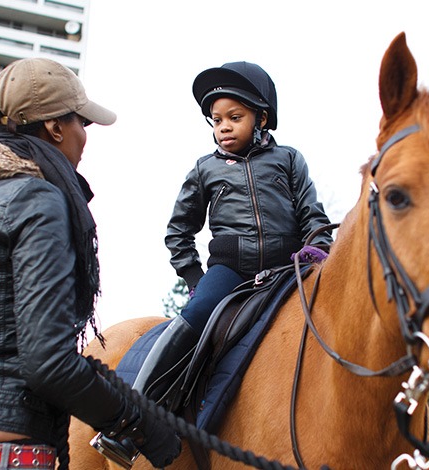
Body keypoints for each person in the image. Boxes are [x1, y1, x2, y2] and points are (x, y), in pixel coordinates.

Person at [0, 58, 180, 470]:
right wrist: (140, 423)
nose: (83, 136)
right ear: (55, 128)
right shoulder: (39, 200)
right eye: (81, 123)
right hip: (5, 456)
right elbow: (49, 364)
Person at [93, 61, 333, 463]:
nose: (223, 127)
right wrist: (194, 276)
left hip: (290, 268)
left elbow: (313, 216)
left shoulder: (290, 159)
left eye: (234, 118)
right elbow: (178, 231)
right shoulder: (204, 169)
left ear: (262, 118)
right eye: (216, 119)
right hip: (230, 272)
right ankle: (132, 423)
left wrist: (316, 249)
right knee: (195, 317)